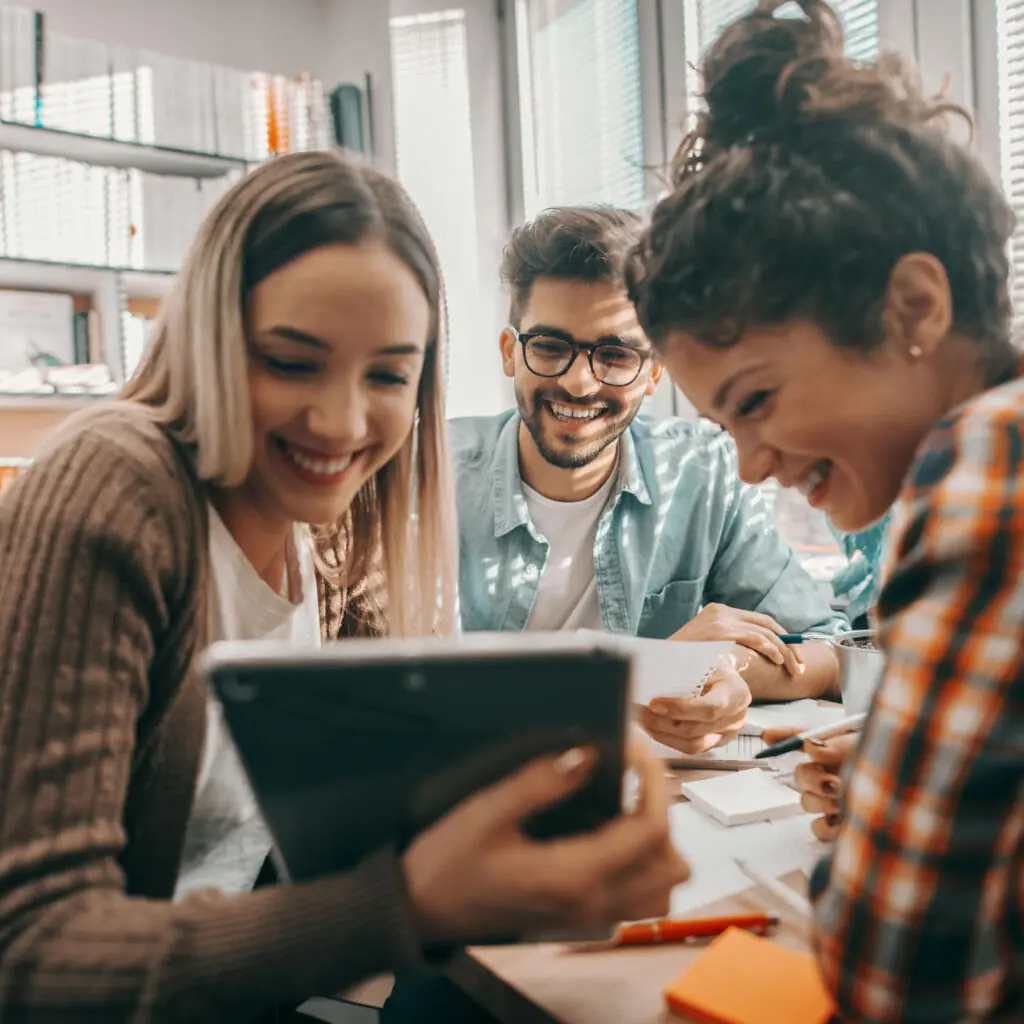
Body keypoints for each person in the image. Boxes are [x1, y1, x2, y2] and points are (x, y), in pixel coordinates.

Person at [0, 151, 689, 1023]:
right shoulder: (117, 482)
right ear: (213, 337)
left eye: (388, 375)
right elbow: (31, 956)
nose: (341, 422)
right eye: (292, 362)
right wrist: (407, 907)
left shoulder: (333, 516)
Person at [629, 0, 1024, 1018]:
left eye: (756, 400)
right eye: (724, 425)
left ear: (912, 308)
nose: (753, 466)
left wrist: (895, 820)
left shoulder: (989, 459)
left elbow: (896, 976)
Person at [449, 206, 846, 757]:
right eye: (549, 347)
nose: (579, 382)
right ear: (509, 353)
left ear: (654, 372)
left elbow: (829, 649)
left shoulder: (704, 472)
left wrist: (725, 670)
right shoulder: (430, 479)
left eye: (614, 355)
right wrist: (648, 670)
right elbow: (409, 696)